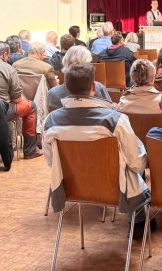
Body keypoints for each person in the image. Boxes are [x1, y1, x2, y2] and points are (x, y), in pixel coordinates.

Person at [42, 63, 149, 236]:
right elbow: (137, 164)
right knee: (135, 162)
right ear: (94, 87)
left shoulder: (50, 122)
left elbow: (51, 161)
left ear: (67, 88)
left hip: (71, 188)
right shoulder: (116, 120)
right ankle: (138, 222)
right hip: (116, 189)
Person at [47, 46, 112, 109]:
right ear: (87, 66)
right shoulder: (98, 88)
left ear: (65, 63)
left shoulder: (52, 94)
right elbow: (110, 110)